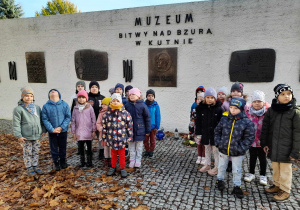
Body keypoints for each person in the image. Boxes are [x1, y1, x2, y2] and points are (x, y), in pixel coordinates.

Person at [261, 84, 300, 202]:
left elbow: (298, 133)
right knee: (275, 167)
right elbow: (266, 128)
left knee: (285, 170)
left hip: (287, 148)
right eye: (283, 94)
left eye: (289, 93)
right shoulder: (272, 110)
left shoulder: (295, 112)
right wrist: (265, 143)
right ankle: (277, 185)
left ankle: (285, 190)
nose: (286, 96)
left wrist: (296, 151)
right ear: (277, 96)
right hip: (274, 146)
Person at [215, 97, 255, 199]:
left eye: (236, 108)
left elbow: (249, 137)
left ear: (241, 109)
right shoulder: (224, 119)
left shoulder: (247, 122)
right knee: (221, 166)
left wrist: (241, 148)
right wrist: (219, 143)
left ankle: (237, 186)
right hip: (223, 149)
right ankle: (219, 180)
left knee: (236, 169)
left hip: (237, 151)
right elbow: (217, 131)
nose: (232, 110)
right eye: (231, 107)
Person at [13, 87, 46, 176]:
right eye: (26, 96)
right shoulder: (19, 109)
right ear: (22, 97)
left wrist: (43, 130)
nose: (29, 98)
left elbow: (41, 120)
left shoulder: (37, 108)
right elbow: (16, 124)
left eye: (31, 96)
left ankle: (35, 165)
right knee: (27, 152)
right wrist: (18, 135)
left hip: (36, 135)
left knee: (35, 151)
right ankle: (29, 167)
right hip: (26, 136)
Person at [102, 93, 133, 178]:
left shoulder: (125, 113)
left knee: (122, 154)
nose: (115, 102)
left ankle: (123, 168)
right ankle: (113, 166)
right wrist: (104, 137)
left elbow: (129, 126)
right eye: (113, 101)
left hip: (122, 138)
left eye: (117, 101)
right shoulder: (107, 114)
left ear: (120, 102)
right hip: (111, 138)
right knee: (113, 154)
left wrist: (129, 136)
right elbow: (104, 126)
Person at [244, 90, 270, 185]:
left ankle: (263, 175)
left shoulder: (267, 112)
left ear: (263, 102)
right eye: (255, 101)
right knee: (252, 157)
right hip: (252, 140)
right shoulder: (248, 111)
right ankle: (251, 173)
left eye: (259, 101)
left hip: (262, 140)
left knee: (262, 158)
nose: (257, 104)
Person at [221, 82, 248, 172]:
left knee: (236, 144)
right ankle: (228, 162)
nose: (235, 93)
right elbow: (223, 113)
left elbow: (246, 115)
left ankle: (234, 162)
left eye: (238, 91)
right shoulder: (226, 103)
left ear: (241, 92)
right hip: (228, 127)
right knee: (228, 144)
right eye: (233, 91)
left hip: (239, 128)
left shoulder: (244, 104)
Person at [195, 88, 223, 175]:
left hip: (215, 134)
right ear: (205, 98)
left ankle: (217, 167)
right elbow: (198, 121)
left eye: (212, 97)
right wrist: (198, 133)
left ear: (215, 99)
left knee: (215, 150)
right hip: (205, 133)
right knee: (207, 149)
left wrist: (220, 134)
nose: (210, 99)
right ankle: (207, 164)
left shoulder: (219, 109)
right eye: (208, 97)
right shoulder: (201, 109)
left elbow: (221, 122)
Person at [42, 89, 71, 171]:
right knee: (53, 147)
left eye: (55, 90)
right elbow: (45, 119)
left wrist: (61, 127)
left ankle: (63, 161)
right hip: (52, 132)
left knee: (63, 147)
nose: (53, 91)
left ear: (59, 94)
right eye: (51, 91)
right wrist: (51, 129)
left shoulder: (64, 105)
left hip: (63, 130)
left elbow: (68, 117)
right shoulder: (46, 106)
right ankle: (56, 162)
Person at [125, 88, 151, 168]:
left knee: (139, 147)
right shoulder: (127, 105)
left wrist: (147, 130)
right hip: (130, 130)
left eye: (133, 94)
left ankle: (138, 159)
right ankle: (132, 159)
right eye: (130, 95)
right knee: (131, 146)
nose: (132, 96)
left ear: (138, 96)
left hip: (140, 129)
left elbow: (147, 118)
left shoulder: (142, 105)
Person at [71, 90, 96, 167]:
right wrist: (74, 132)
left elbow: (93, 119)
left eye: (83, 97)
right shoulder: (75, 108)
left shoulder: (90, 108)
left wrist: (93, 130)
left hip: (88, 131)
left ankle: (89, 161)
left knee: (89, 148)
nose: (81, 99)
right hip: (79, 132)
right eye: (80, 97)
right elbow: (73, 120)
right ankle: (82, 161)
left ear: (86, 99)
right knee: (81, 148)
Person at [88, 81, 105, 158]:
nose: (94, 89)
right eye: (92, 87)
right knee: (88, 137)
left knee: (100, 137)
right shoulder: (87, 98)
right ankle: (88, 151)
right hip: (88, 122)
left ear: (98, 88)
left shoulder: (102, 98)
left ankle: (101, 151)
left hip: (100, 122)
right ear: (90, 88)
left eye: (96, 87)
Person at [70, 80, 86, 155]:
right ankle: (80, 148)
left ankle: (86, 148)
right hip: (77, 119)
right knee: (78, 134)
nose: (80, 87)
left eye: (81, 86)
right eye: (78, 86)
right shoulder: (73, 97)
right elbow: (72, 108)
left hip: (85, 119)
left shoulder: (87, 95)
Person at [143, 89, 161, 158]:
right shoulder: (144, 105)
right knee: (145, 140)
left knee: (152, 140)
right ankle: (147, 150)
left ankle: (151, 151)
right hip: (146, 126)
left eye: (152, 96)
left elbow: (158, 116)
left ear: (154, 97)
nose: (150, 97)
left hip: (153, 126)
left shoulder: (156, 105)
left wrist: (157, 126)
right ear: (146, 96)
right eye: (149, 96)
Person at [190, 92, 206, 165]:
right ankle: (199, 156)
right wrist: (191, 130)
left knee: (204, 144)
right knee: (199, 144)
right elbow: (192, 120)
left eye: (201, 99)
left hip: (204, 130)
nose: (199, 100)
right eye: (198, 99)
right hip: (197, 129)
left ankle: (204, 157)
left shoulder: (206, 110)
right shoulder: (195, 110)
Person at [96, 97, 111, 166]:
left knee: (110, 147)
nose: (103, 106)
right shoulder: (101, 113)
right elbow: (98, 123)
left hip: (111, 133)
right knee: (105, 147)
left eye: (105, 104)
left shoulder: (111, 113)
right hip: (103, 133)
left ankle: (111, 158)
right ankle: (106, 158)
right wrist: (101, 128)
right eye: (102, 104)